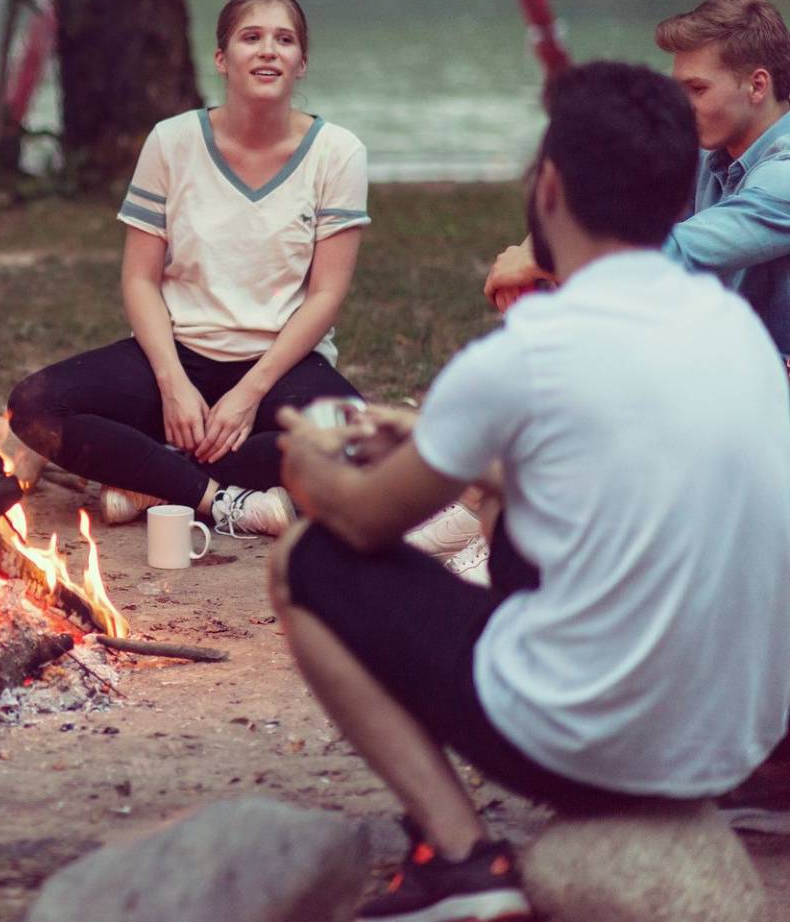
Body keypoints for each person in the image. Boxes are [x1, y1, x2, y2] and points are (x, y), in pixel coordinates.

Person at [272, 61, 790, 921]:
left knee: (308, 561)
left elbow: (363, 520)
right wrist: (458, 450)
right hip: (728, 744)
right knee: (509, 501)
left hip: (589, 749)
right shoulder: (729, 326)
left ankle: (460, 860)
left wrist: (309, 461)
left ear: (547, 187)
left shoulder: (531, 347)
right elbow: (607, 469)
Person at [6, 0, 368, 539]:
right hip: (178, 356)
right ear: (222, 60)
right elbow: (140, 278)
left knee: (358, 441)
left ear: (301, 64)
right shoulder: (172, 141)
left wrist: (248, 395)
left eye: (284, 40)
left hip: (281, 367)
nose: (269, 50)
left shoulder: (337, 153)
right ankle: (219, 499)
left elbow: (325, 295)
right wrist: (172, 382)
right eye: (252, 37)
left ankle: (150, 478)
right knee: (33, 406)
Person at [484, 0, 790, 351]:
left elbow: (675, 254)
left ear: (757, 85)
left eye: (697, 89)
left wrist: (545, 256)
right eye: (678, 89)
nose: (683, 105)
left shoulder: (783, 174)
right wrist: (538, 245)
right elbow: (615, 205)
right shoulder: (711, 148)